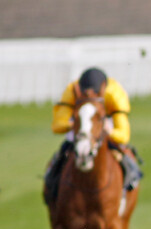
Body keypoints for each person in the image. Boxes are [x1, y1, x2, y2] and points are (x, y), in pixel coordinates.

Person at [45, 67, 143, 204]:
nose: (89, 95)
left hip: (104, 126)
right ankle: (50, 187)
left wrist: (108, 131)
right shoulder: (72, 90)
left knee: (129, 161)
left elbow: (123, 135)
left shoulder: (114, 93)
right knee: (57, 160)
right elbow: (57, 125)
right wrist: (76, 125)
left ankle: (130, 184)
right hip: (79, 128)